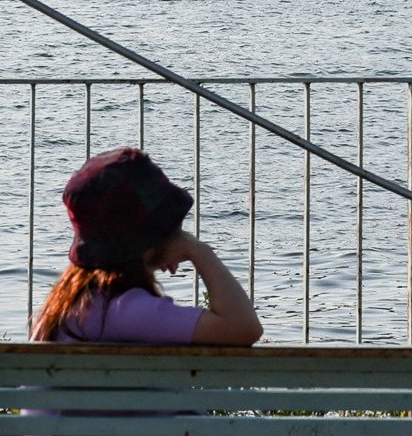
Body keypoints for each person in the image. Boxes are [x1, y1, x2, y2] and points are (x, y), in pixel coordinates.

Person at [32, 147, 263, 345]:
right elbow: (244, 328)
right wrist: (198, 249)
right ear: (149, 241)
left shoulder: (68, 303)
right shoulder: (125, 310)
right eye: (172, 228)